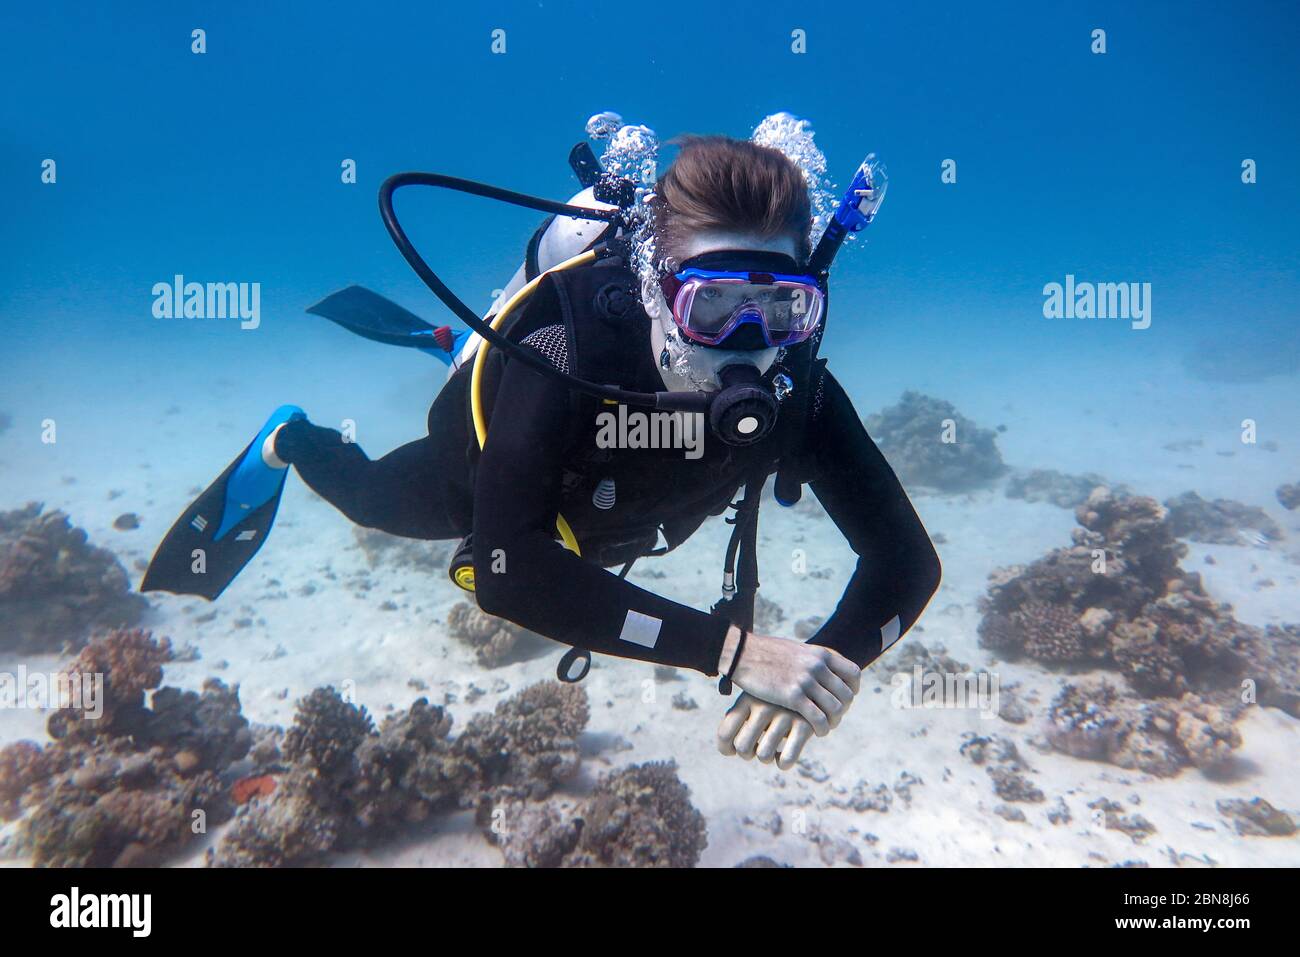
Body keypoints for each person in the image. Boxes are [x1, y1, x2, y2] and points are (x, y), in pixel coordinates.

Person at [144, 135, 941, 770]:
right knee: (371, 500)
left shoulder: (793, 387)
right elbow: (505, 570)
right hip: (498, 458)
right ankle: (292, 436)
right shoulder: (566, 348)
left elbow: (908, 563)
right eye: (715, 306)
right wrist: (735, 652)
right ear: (654, 290)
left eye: (780, 309)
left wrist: (824, 666)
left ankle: (459, 339)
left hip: (610, 512)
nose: (749, 345)